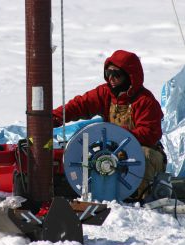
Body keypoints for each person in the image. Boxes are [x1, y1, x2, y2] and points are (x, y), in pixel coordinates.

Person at [52, 50, 167, 199]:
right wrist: (54, 117)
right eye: (108, 73)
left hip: (146, 153)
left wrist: (119, 135)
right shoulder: (105, 93)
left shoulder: (146, 101)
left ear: (130, 76)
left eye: (117, 74)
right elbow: (80, 105)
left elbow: (150, 134)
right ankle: (97, 194)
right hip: (115, 151)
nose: (111, 78)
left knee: (143, 155)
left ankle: (142, 199)